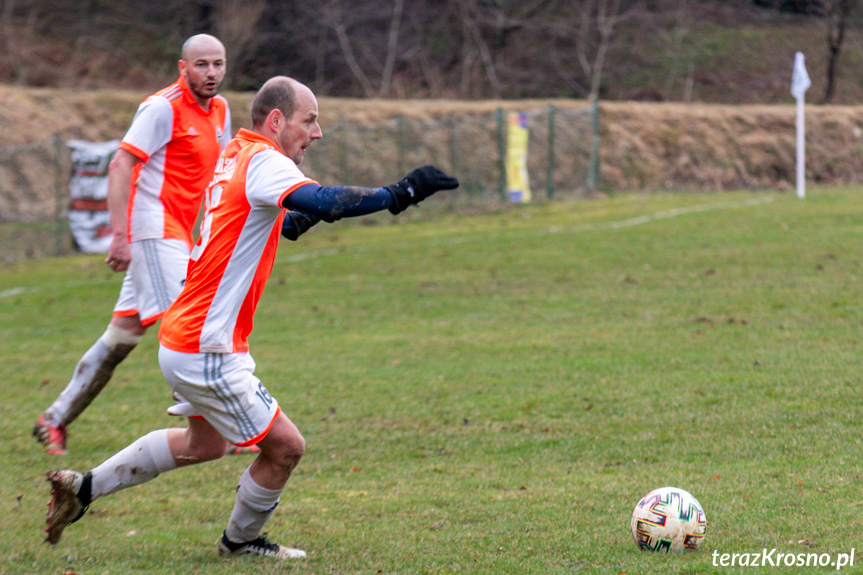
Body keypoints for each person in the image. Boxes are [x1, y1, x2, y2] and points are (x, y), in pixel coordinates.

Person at [44, 76, 459, 560]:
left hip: (185, 335)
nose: (318, 132)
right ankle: (239, 544)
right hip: (208, 347)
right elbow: (323, 200)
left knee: (206, 444)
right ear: (277, 120)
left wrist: (300, 218)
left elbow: (267, 219)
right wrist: (399, 193)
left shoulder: (236, 154)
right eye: (310, 120)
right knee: (286, 448)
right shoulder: (265, 159)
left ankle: (83, 488)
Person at [33, 34, 233, 455]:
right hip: (152, 228)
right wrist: (120, 236)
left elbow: (220, 175)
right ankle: (223, 425)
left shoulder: (220, 111)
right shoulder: (161, 107)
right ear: (183, 68)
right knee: (187, 319)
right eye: (202, 65)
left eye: (218, 64)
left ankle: (53, 419)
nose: (211, 73)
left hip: (181, 232)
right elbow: (121, 163)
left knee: (120, 339)